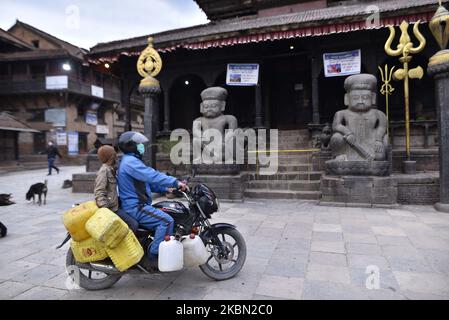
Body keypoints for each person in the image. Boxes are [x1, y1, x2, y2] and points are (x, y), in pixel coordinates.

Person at [117, 131, 187, 268]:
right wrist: (175, 182)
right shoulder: (130, 162)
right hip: (136, 207)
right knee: (166, 221)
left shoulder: (131, 160)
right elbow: (152, 176)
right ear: (131, 146)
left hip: (137, 204)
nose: (142, 146)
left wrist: (165, 189)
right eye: (139, 144)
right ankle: (153, 255)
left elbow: (147, 183)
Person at [93, 145, 138, 231]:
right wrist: (106, 211)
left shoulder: (111, 169)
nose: (116, 155)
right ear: (110, 156)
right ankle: (125, 244)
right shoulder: (104, 171)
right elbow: (99, 191)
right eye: (114, 153)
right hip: (112, 209)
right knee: (133, 224)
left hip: (117, 205)